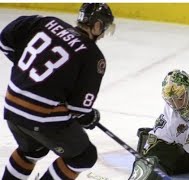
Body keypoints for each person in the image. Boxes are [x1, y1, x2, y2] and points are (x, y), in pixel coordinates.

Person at [0, 3, 115, 180]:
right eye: (104, 27)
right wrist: (89, 117)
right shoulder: (93, 56)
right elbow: (79, 110)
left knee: (32, 150)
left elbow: (5, 38)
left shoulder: (47, 22)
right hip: (40, 116)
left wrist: (25, 71)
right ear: (97, 25)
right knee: (84, 156)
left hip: (12, 104)